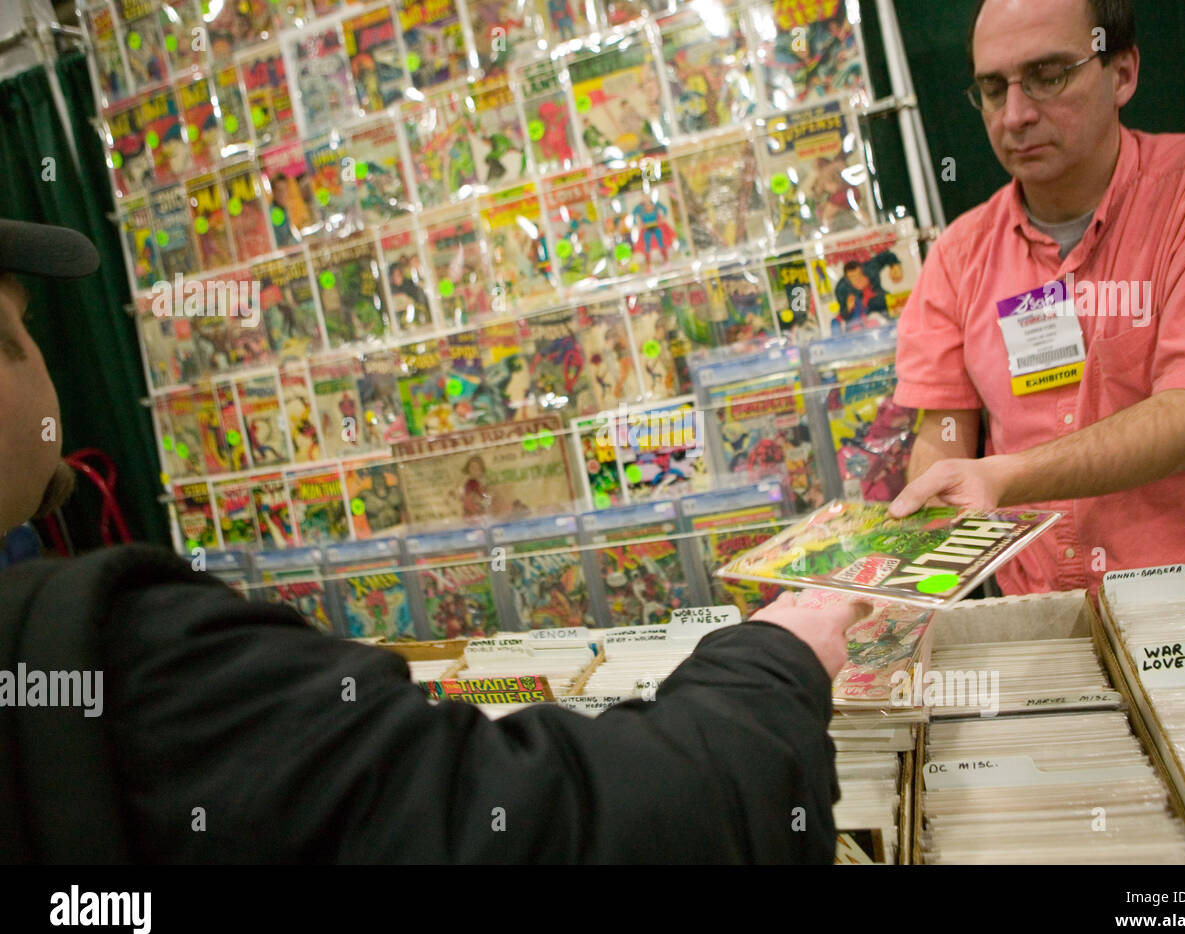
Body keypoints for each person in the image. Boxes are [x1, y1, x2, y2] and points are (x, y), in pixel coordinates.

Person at [0, 219, 860, 863]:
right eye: (22, 323)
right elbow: (526, 826)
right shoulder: (122, 655)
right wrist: (773, 661)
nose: (39, 355)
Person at [889, 0, 1185, 594]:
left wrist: (1007, 476)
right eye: (992, 89)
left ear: (1123, 73)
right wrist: (915, 531)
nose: (1016, 115)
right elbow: (944, 428)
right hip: (1045, 629)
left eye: (1048, 76)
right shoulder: (958, 254)